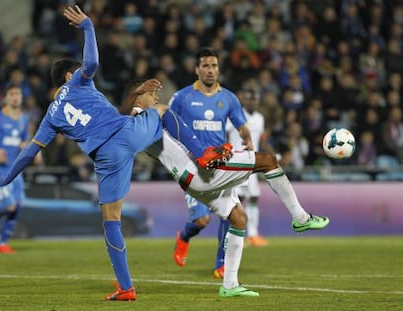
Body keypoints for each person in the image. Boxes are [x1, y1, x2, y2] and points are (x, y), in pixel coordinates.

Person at [0, 6, 230, 301]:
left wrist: (4, 179)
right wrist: (89, 26)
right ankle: (203, 155)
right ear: (69, 74)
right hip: (126, 133)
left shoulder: (50, 117)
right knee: (162, 110)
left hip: (106, 157)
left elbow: (28, 153)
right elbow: (91, 62)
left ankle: (126, 287)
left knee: (111, 220)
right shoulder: (77, 81)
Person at [131, 89, 330, 297]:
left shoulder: (140, 128)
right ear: (138, 98)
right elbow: (162, 111)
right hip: (203, 170)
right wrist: (199, 152)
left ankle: (230, 285)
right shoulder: (144, 118)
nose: (155, 98)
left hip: (190, 181)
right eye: (150, 94)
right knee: (269, 161)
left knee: (239, 218)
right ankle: (300, 217)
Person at [169, 47, 254, 279]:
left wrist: (247, 138)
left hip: (220, 166)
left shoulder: (228, 98)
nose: (210, 70)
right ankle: (184, 236)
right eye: (205, 66)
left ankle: (221, 263)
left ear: (218, 69)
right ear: (197, 70)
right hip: (192, 167)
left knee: (230, 215)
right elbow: (166, 123)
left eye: (214, 65)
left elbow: (241, 125)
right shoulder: (182, 97)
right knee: (202, 219)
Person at [0, 84, 31, 253]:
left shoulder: (24, 118)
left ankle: (3, 243)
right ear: (6, 97)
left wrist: (30, 148)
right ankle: (2, 243)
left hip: (14, 170)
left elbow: (22, 141)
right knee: (10, 207)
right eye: (12, 94)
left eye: (18, 94)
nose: (15, 97)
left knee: (18, 204)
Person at [227, 89, 268, 247]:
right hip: (235, 163)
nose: (253, 101)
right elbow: (224, 136)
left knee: (254, 197)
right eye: (250, 98)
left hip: (252, 163)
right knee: (236, 200)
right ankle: (236, 234)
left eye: (255, 98)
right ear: (244, 99)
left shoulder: (259, 118)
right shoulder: (235, 116)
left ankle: (252, 234)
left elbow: (260, 140)